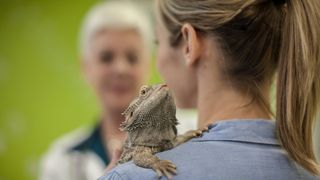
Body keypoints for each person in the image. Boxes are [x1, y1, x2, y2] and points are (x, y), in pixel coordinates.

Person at [100, 0, 320, 179]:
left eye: (159, 43)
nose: (159, 63)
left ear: (188, 43)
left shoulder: (131, 176)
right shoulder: (309, 171)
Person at [39, 1, 152, 180]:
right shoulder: (61, 159)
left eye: (132, 58)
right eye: (106, 58)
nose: (121, 69)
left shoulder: (183, 143)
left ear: (147, 66)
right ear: (86, 68)